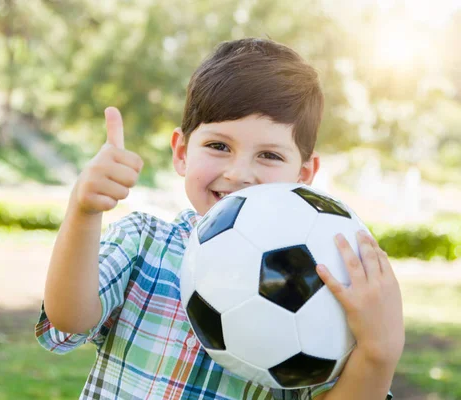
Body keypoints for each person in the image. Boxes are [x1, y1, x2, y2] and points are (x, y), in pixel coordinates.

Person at [35, 38, 404, 400]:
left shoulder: (320, 284)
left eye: (270, 155)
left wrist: (378, 351)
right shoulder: (144, 243)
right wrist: (84, 211)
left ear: (304, 174)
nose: (239, 173)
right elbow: (70, 319)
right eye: (219, 146)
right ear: (181, 152)